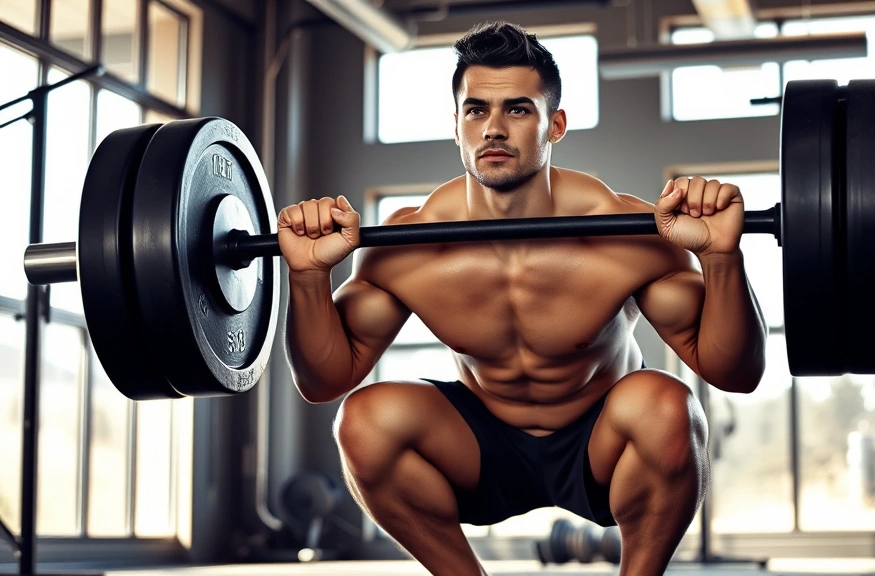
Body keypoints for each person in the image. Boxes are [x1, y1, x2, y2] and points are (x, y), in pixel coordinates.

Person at [278, 21, 767, 576]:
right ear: (455, 125)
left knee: (667, 404)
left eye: (517, 109)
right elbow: (325, 382)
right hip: (482, 450)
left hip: (601, 450)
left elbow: (734, 372)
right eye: (475, 110)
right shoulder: (410, 245)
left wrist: (722, 259)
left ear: (554, 124)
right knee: (363, 419)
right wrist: (308, 278)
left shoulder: (621, 233)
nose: (493, 128)